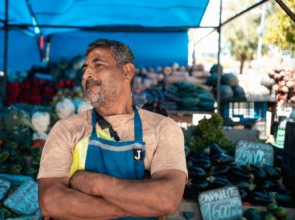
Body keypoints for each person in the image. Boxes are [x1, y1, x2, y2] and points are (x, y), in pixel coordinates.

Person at [37, 39, 187, 219]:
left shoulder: (163, 128)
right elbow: (51, 202)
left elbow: (167, 199)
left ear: (127, 71)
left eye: (98, 65)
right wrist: (140, 207)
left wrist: (95, 184)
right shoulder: (66, 129)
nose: (87, 75)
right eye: (84, 69)